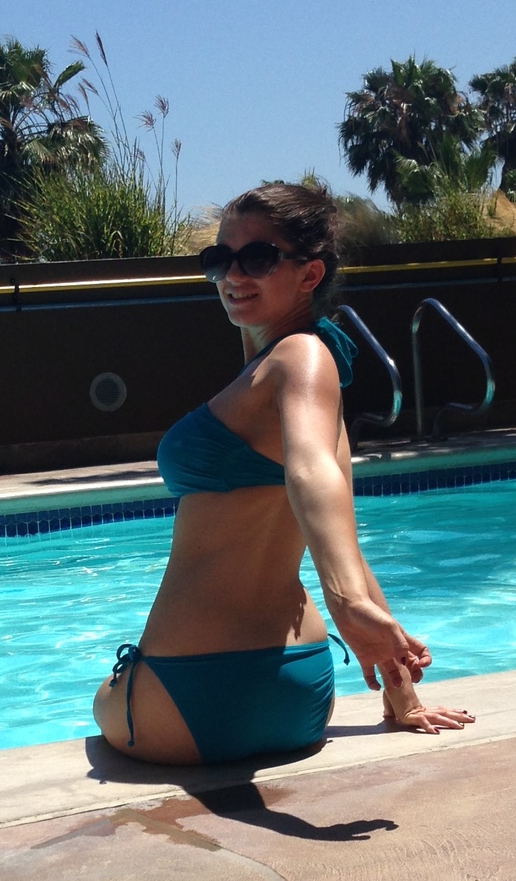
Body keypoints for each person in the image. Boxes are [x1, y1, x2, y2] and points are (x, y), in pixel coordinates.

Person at [94, 180, 475, 765]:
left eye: (258, 258)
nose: (233, 275)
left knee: (104, 700)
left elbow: (311, 475)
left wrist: (347, 600)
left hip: (186, 696)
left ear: (310, 273)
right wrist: (402, 697)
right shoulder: (309, 387)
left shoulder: (300, 356)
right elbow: (333, 508)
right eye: (219, 259)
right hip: (299, 695)